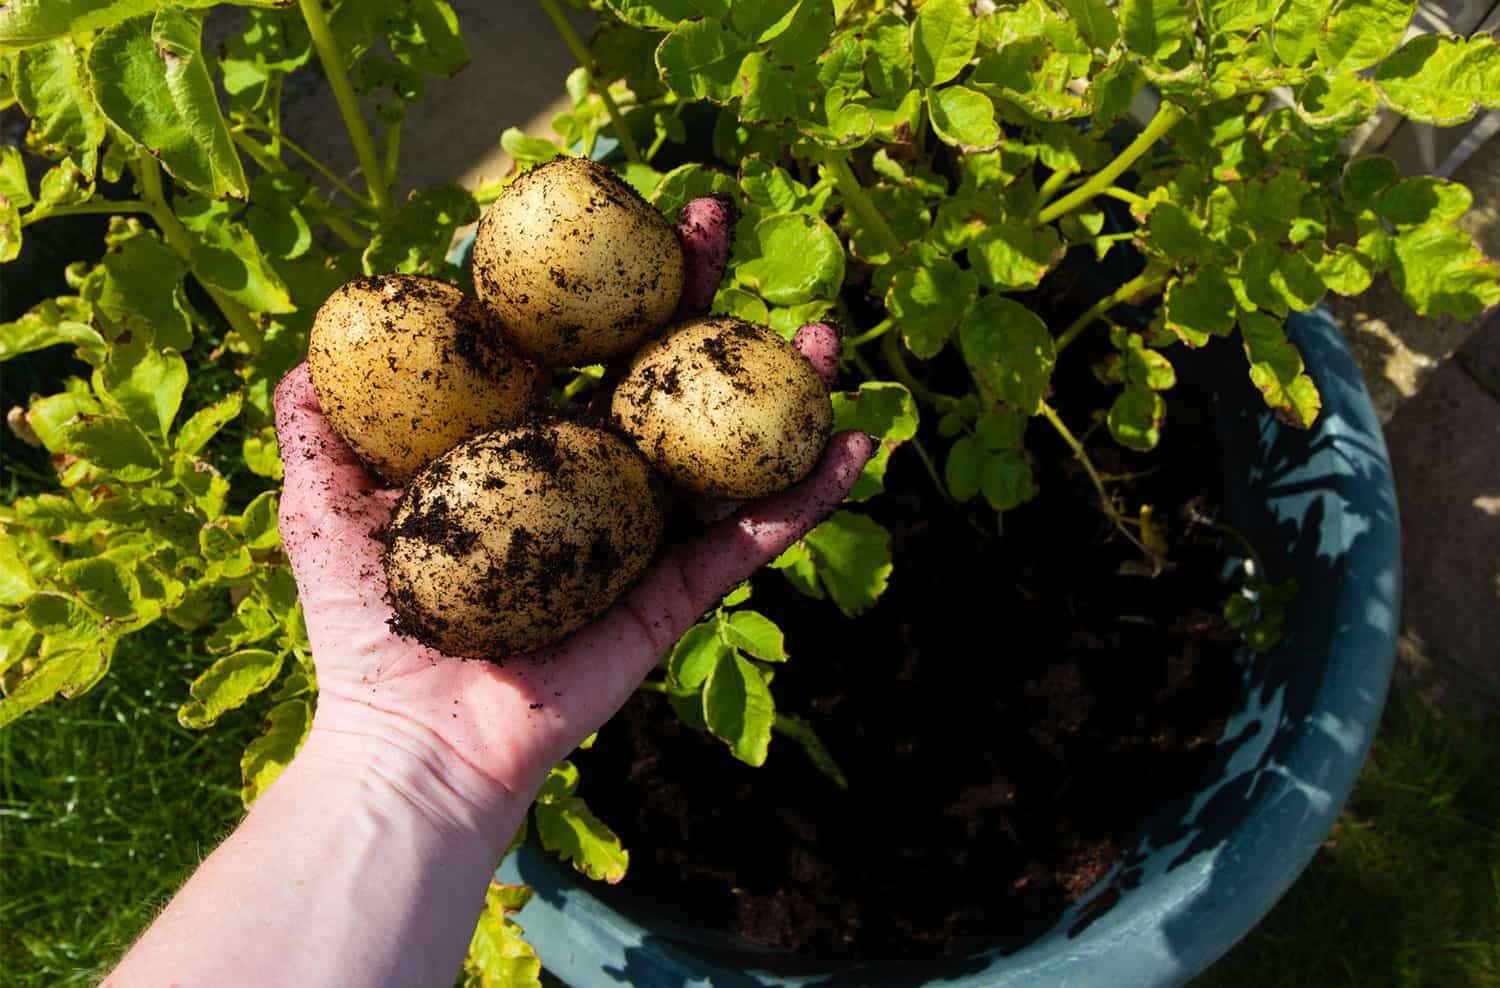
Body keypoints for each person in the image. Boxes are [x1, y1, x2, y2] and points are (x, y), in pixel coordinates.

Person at [103, 198, 873, 988]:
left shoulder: (607, 435)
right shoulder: (552, 481)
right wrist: (402, 746)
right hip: (567, 493)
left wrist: (394, 758)